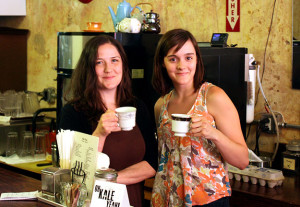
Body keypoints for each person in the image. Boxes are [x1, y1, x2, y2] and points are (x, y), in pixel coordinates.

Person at [150, 29, 249, 207]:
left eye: (188, 58)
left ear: (197, 60)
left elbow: (242, 160)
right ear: (162, 63)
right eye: (173, 59)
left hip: (208, 201)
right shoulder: (160, 105)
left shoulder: (213, 96)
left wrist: (213, 133)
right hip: (166, 199)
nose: (181, 66)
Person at [58, 35, 158, 207]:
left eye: (114, 60)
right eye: (99, 62)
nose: (108, 69)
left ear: (123, 65)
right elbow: (77, 174)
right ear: (88, 68)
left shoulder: (137, 107)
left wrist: (111, 180)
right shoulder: (73, 112)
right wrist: (99, 134)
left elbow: (153, 162)